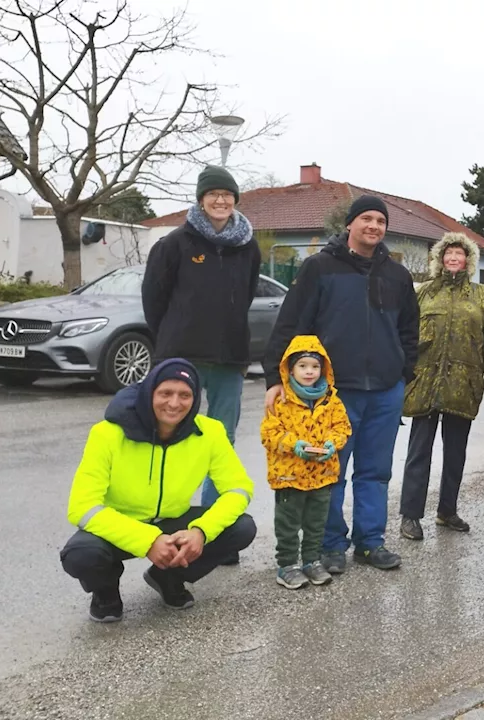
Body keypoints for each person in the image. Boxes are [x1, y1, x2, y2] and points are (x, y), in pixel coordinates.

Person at [264, 195, 419, 572]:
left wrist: (403, 372)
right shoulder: (320, 268)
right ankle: (331, 544)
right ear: (350, 224)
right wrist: (275, 377)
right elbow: (291, 324)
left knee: (375, 471)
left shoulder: (397, 275)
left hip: (385, 390)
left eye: (380, 221)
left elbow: (411, 330)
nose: (373, 226)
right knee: (330, 469)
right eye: (366, 218)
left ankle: (371, 542)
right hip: (334, 393)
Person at [60, 360, 256, 622]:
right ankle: (106, 591)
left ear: (195, 398)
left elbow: (239, 488)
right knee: (80, 554)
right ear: (149, 392)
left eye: (185, 395)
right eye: (165, 393)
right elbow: (82, 506)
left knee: (242, 528)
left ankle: (167, 577)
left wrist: (201, 531)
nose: (174, 403)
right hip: (119, 528)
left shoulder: (210, 432)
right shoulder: (107, 433)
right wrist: (147, 540)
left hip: (172, 522)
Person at [142, 165, 260, 565]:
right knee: (171, 440)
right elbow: (154, 300)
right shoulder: (175, 243)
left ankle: (212, 530)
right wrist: (169, 344)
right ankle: (166, 526)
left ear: (235, 200)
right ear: (200, 199)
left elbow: (244, 296)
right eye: (213, 195)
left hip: (229, 358)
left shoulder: (248, 246)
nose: (221, 201)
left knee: (220, 443)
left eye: (227, 195)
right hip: (182, 356)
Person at [400, 233, 484, 540]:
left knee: (456, 452)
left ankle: (447, 511)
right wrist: (401, 376)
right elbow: (406, 337)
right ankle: (410, 515)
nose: (454, 259)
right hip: (424, 384)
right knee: (418, 452)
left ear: (469, 260)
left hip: (464, 384)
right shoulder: (423, 294)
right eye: (449, 254)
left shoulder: (483, 297)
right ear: (440, 258)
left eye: (460, 254)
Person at [260, 337, 351, 589]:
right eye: (303, 366)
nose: (309, 371)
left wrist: (333, 443)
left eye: (314, 366)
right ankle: (287, 565)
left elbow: (342, 427)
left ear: (324, 369)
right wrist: (294, 445)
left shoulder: (331, 400)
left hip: (322, 473)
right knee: (288, 523)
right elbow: (269, 434)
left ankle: (312, 560)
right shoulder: (280, 401)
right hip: (289, 476)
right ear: (290, 369)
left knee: (316, 522)